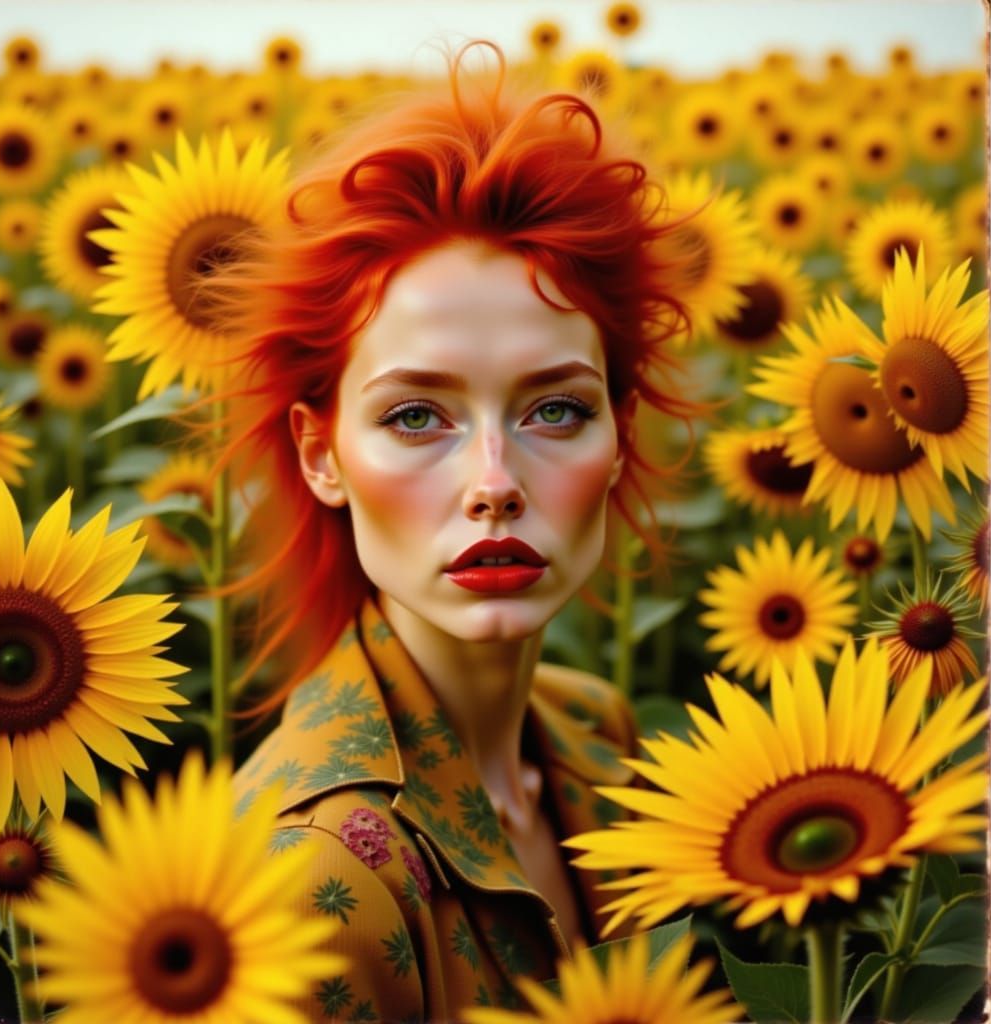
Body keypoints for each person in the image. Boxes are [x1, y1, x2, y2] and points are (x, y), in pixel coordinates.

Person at [213, 41, 696, 1024]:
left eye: (555, 410)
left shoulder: (594, 733)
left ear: (619, 435)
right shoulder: (310, 887)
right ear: (321, 454)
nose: (494, 485)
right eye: (415, 416)